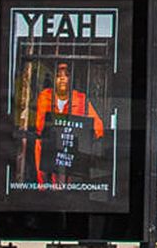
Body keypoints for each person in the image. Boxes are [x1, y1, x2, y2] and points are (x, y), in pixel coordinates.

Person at [32, 59, 104, 187]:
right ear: (53, 79)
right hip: (48, 147)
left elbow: (98, 127)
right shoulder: (45, 96)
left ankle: (64, 189)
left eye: (66, 75)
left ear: (71, 79)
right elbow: (39, 126)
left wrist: (85, 138)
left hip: (70, 148)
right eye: (58, 75)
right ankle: (42, 189)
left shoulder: (80, 98)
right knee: (40, 144)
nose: (62, 79)